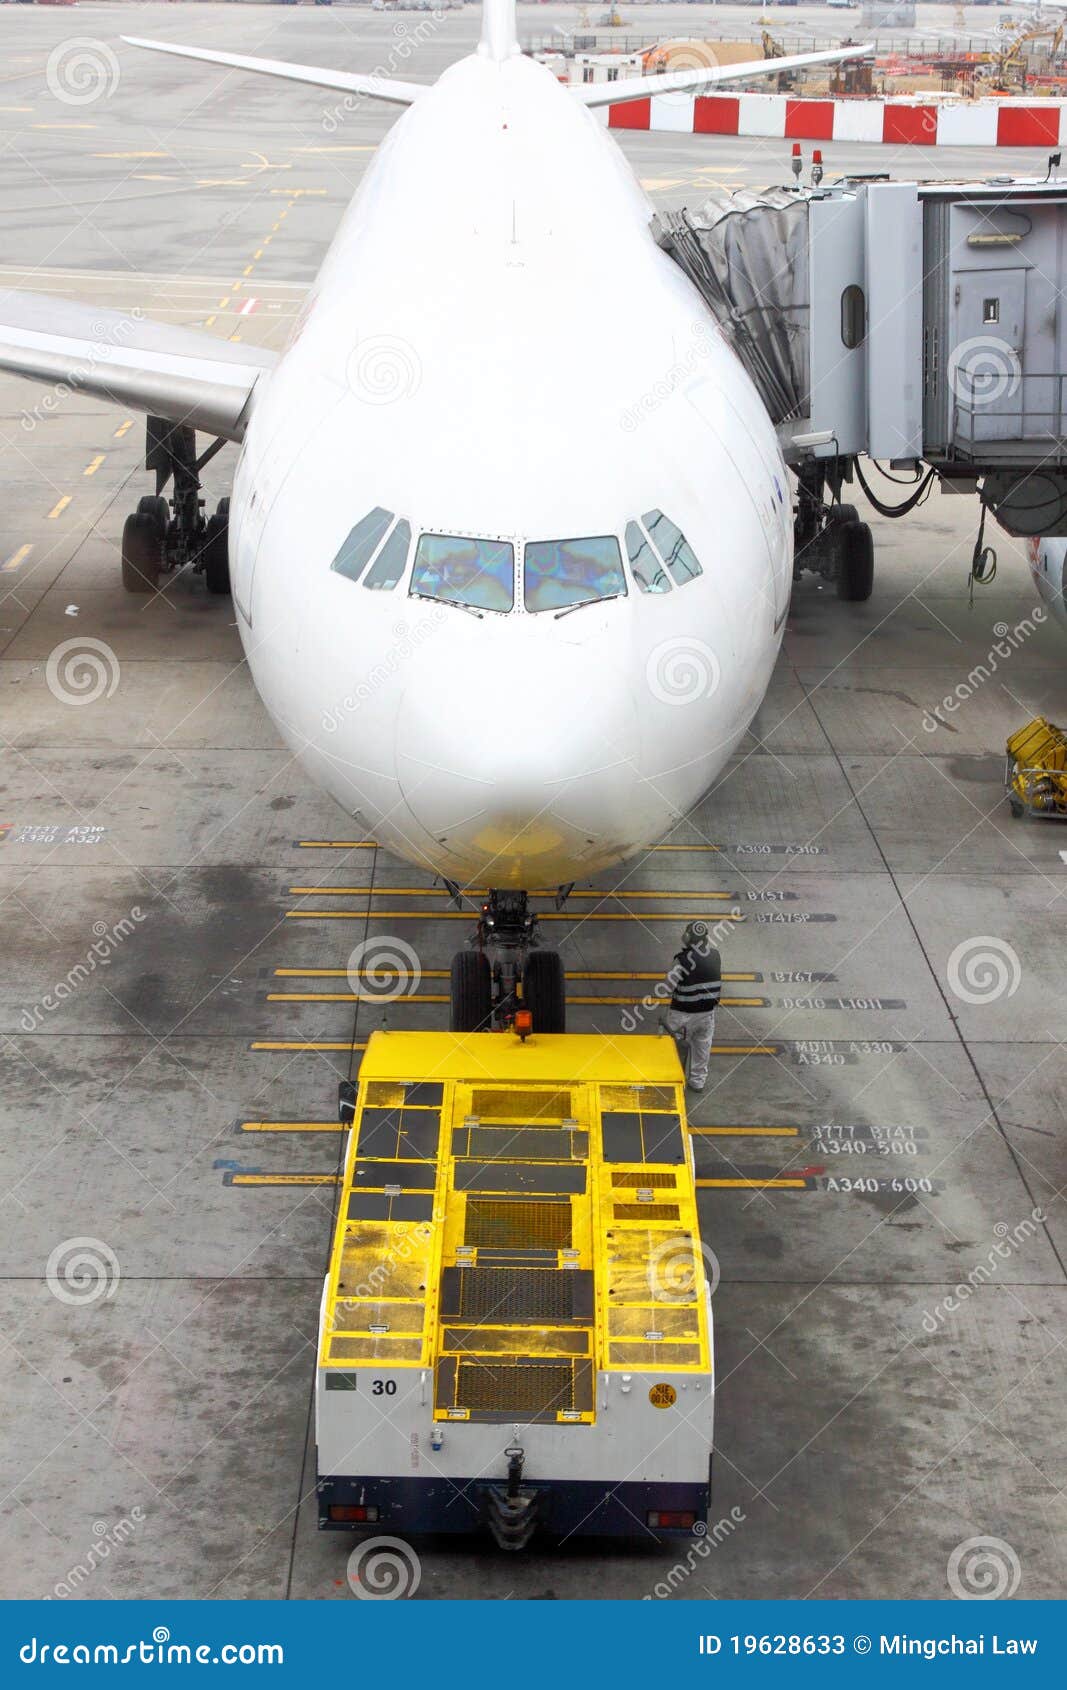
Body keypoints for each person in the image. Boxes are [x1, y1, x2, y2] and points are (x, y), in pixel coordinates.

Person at [663, 920, 721, 1093]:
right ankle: (697, 1082)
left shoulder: (681, 961)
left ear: (687, 937)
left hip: (682, 1014)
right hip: (707, 1014)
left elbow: (668, 986)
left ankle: (670, 1079)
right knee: (702, 1048)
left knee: (669, 1046)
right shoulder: (715, 955)